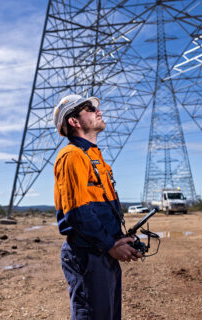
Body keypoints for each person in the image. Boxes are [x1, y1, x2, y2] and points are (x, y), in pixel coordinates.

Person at [53, 94, 142, 320]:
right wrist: (109, 245)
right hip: (88, 253)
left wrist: (119, 240)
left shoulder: (97, 159)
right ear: (74, 122)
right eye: (90, 109)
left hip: (102, 251)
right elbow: (77, 213)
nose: (98, 111)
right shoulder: (72, 156)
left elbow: (100, 209)